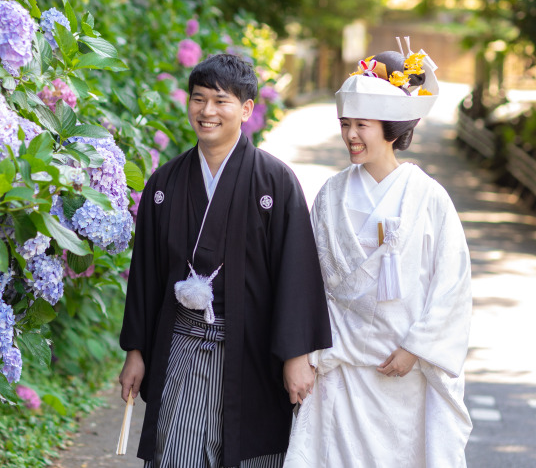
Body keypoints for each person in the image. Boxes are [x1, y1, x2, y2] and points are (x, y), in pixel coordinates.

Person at [119, 53, 332, 468]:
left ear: (247, 109)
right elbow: (146, 274)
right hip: (183, 345)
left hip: (251, 351)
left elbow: (296, 273)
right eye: (199, 99)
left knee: (249, 453)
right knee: (176, 452)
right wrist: (136, 351)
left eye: (221, 101)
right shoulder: (165, 183)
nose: (207, 111)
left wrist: (295, 356)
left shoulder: (275, 181)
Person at [284, 42, 473, 467]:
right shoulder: (332, 194)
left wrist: (418, 348)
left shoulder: (429, 198)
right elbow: (306, 281)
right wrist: (302, 353)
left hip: (404, 367)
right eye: (345, 123)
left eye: (362, 125)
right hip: (341, 365)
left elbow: (453, 285)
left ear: (390, 127)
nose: (350, 135)